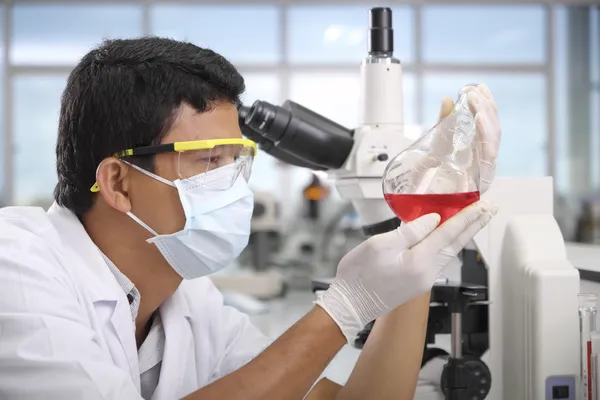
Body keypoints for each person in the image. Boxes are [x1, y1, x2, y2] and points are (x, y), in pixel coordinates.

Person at [0, 37, 501, 400]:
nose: (235, 185)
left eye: (237, 159)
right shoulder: (16, 268)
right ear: (117, 182)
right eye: (207, 161)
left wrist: (421, 243)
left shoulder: (190, 299)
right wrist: (345, 307)